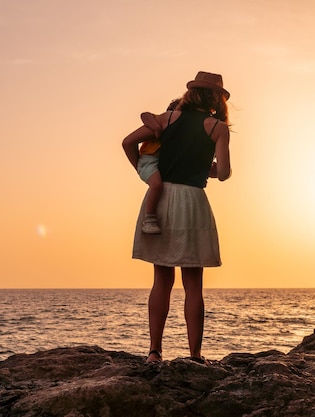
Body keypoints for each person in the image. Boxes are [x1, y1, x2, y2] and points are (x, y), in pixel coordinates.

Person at [122, 71, 232, 364]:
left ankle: (154, 351)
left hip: (161, 199)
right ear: (217, 98)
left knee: (161, 279)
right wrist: (204, 166)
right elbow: (222, 174)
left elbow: (127, 142)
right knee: (193, 284)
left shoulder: (166, 119)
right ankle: (195, 354)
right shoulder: (217, 127)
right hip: (192, 200)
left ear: (191, 93)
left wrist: (145, 173)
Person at [137, 98, 180, 234]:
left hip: (158, 163)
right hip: (148, 160)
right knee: (156, 185)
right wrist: (156, 128)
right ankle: (149, 219)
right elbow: (145, 115)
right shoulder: (161, 123)